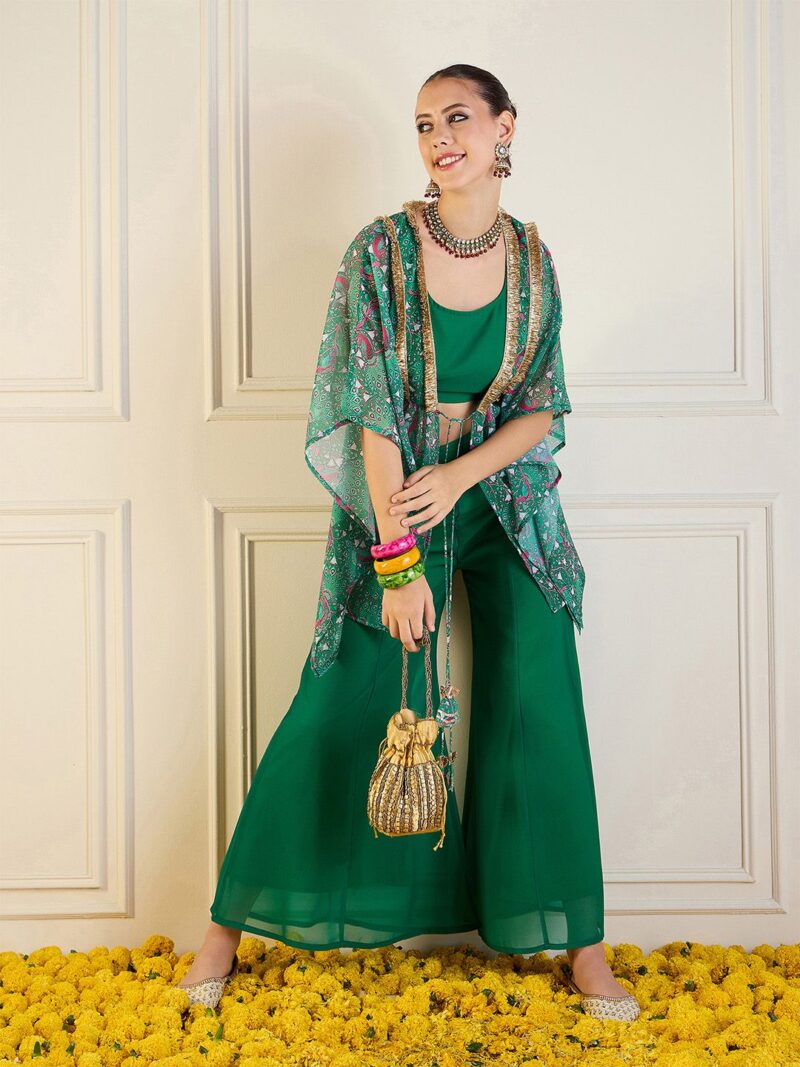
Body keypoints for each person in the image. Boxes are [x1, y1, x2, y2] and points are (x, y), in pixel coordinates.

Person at [178, 64, 639, 1022]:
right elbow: (370, 412)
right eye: (425, 124)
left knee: (542, 694)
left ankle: (581, 942)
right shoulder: (380, 253)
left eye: (459, 118)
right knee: (346, 688)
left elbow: (542, 409)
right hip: (402, 496)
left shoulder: (533, 258)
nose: (440, 139)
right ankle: (223, 928)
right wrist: (397, 561)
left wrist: (464, 476)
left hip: (503, 498)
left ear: (505, 126)